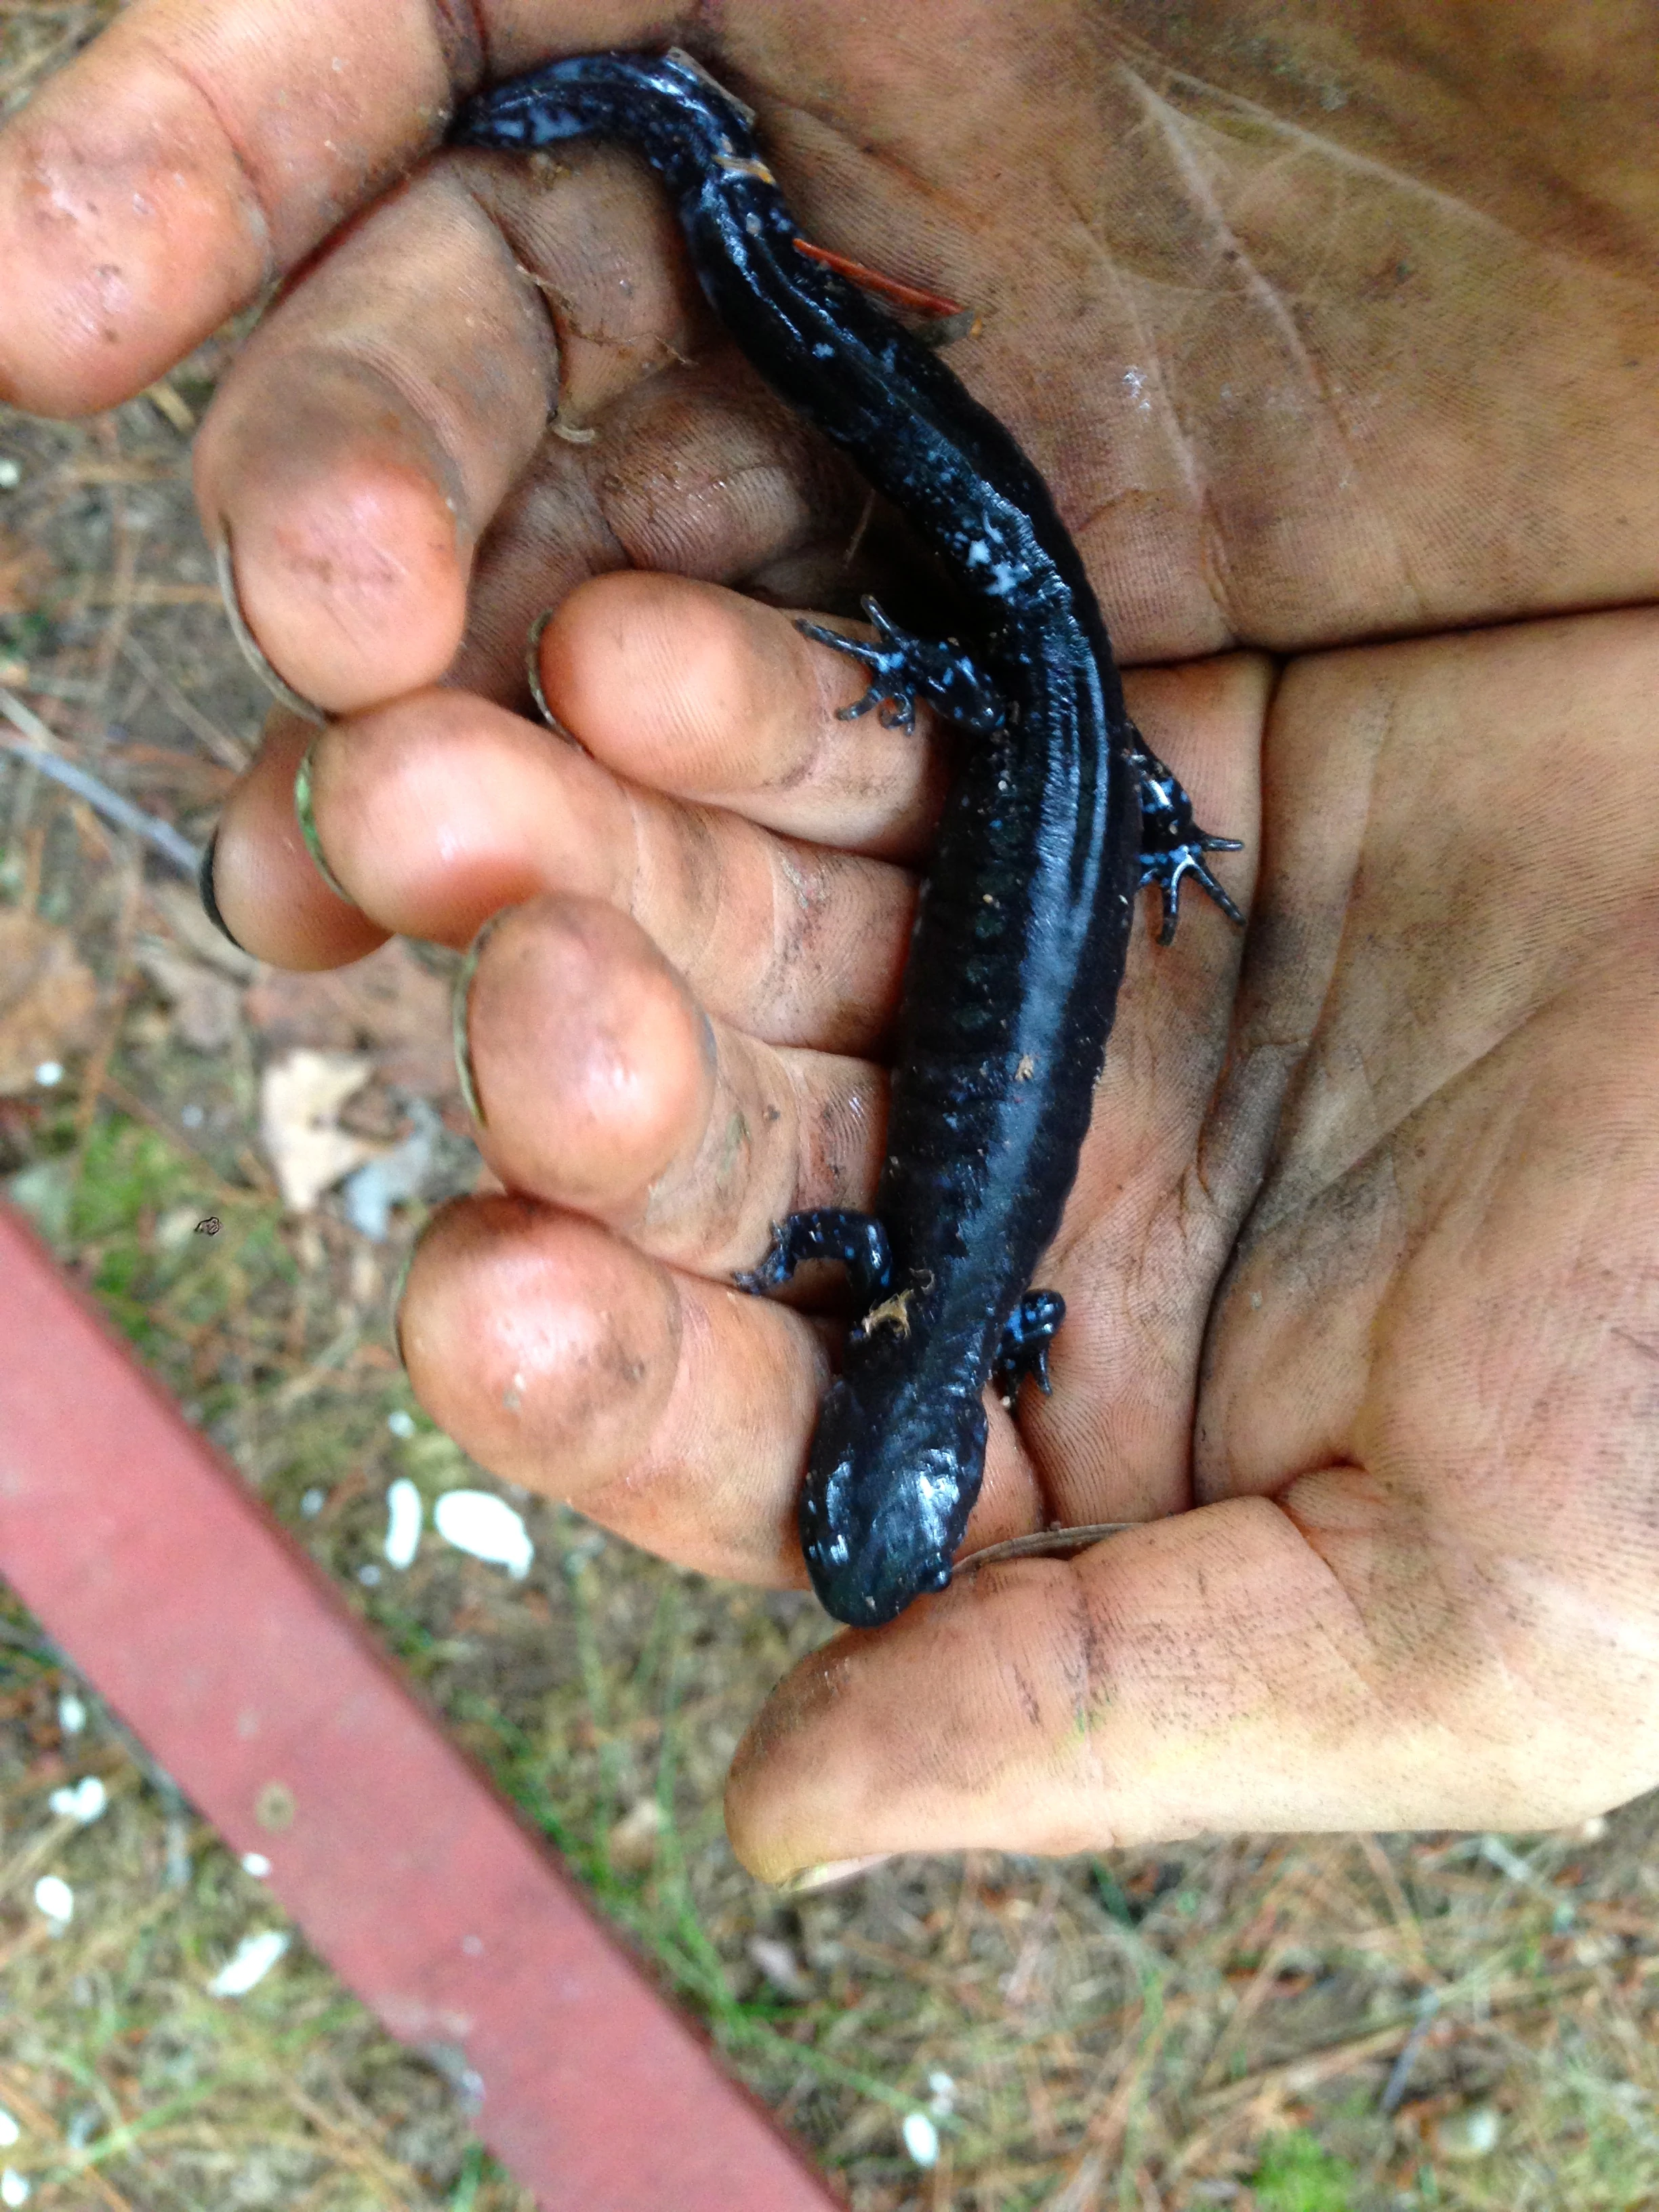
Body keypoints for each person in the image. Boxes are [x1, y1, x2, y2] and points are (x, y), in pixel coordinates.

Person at [3, 0, 1656, 1887]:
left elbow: (995, 1311)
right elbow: (866, 1254)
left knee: (964, 577)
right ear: (897, 1410)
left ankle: (689, 157)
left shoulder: (993, 1321)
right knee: (921, 530)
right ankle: (680, 152)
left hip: (1075, 734)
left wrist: (1151, 823)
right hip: (1034, 707)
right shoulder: (888, 1278)